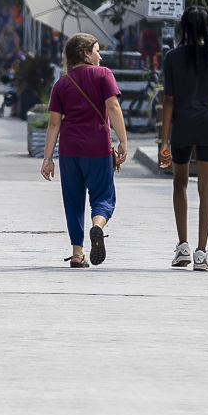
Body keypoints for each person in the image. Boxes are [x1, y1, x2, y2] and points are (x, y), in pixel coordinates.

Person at [39, 33, 129, 268]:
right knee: (103, 197)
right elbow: (113, 106)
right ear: (86, 53)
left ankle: (77, 254)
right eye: (97, 50)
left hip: (69, 151)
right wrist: (123, 140)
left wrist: (48, 158)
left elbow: (54, 123)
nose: (100, 56)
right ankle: (97, 227)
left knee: (73, 201)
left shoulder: (61, 83)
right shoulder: (104, 75)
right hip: (97, 148)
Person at [160, 5, 208, 271]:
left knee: (180, 183)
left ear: (184, 27)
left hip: (182, 127)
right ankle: (202, 253)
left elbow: (168, 101)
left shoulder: (172, 58)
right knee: (207, 187)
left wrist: (164, 141)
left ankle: (183, 248)